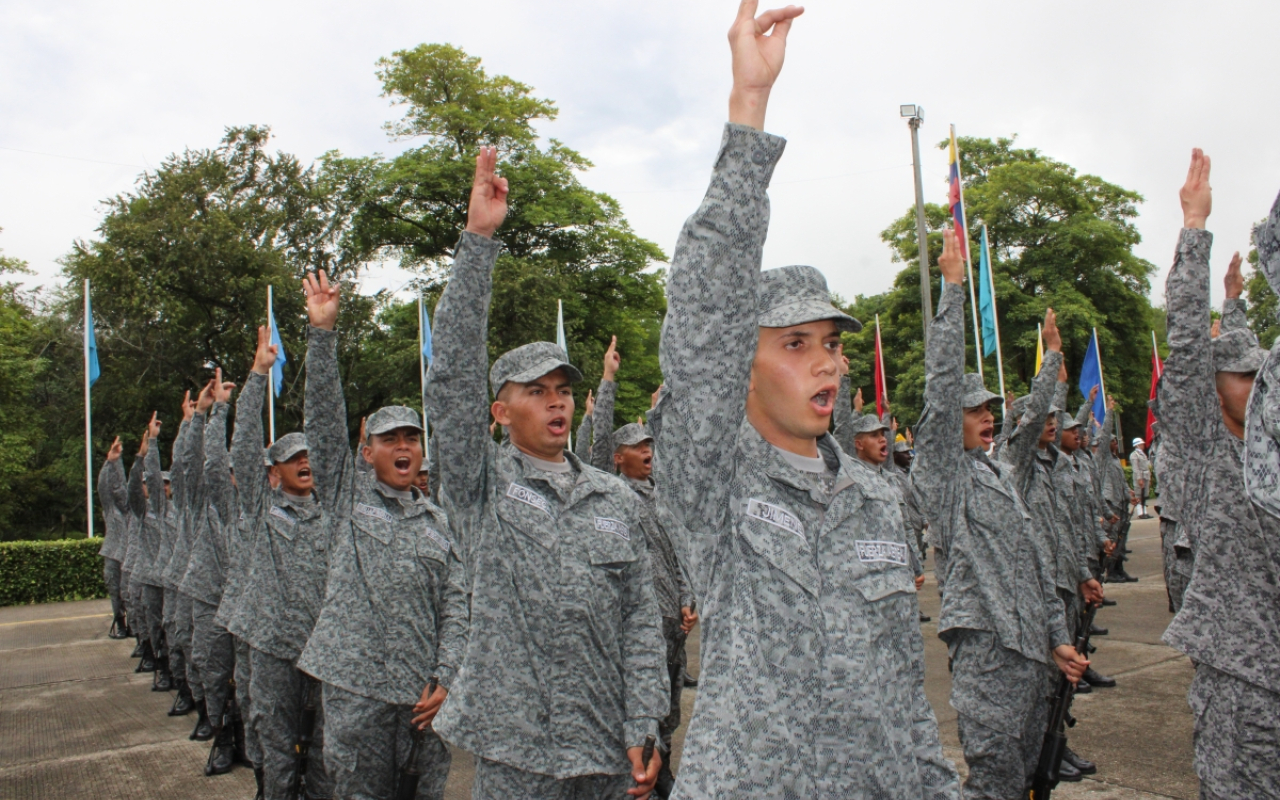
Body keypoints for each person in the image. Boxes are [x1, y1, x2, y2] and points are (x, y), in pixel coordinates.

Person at [649, 5, 958, 796]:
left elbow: (905, 700)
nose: (825, 362)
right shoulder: (716, 480)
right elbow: (706, 312)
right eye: (794, 344)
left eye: (831, 342)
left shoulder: (873, 497)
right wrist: (748, 113)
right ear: (740, 369)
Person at [425, 146, 667, 800]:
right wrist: (477, 242)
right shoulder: (481, 486)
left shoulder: (612, 498)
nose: (557, 399)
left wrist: (645, 720)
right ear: (501, 411)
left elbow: (641, 621)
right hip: (515, 751)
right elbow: (448, 378)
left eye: (563, 388)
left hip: (606, 746)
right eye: (537, 391)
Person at [913, 229, 1088, 799]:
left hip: (1030, 646)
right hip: (987, 645)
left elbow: (1033, 561)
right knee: (993, 778)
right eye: (974, 411)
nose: (986, 417)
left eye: (990, 408)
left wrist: (1057, 636)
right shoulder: (945, 476)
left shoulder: (999, 472)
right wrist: (953, 289)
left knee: (1029, 772)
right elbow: (940, 391)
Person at [295, 273, 466, 800]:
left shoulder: (438, 522)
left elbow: (457, 605)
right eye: (389, 438)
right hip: (357, 687)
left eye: (412, 438)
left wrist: (446, 678)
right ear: (367, 452)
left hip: (421, 698)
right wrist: (322, 338)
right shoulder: (348, 497)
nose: (404, 446)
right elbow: (324, 427)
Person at [1161, 150, 1280, 797]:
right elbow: (1188, 345)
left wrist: (1237, 307)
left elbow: (1241, 358)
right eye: (1239, 375)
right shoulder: (1208, 443)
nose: (1255, 384)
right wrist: (1194, 228)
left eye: (1261, 373)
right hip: (1242, 677)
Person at [224, 326, 334, 800]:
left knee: (328, 753)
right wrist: (256, 376)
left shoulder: (335, 510)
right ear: (275, 471)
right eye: (294, 459)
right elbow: (244, 445)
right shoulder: (261, 507)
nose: (305, 463)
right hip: (272, 648)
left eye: (309, 456)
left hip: (324, 647)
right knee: (275, 743)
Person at [585, 338, 697, 799]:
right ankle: (639, 770)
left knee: (668, 705)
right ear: (617, 458)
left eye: (649, 443)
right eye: (637, 445)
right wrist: (608, 381)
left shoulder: (663, 496)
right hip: (636, 625)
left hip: (673, 622)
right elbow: (593, 445)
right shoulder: (609, 493)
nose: (647, 450)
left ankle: (663, 763)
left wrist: (691, 598)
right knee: (638, 703)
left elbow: (681, 552)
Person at [98, 437, 131, 639]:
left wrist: (117, 464)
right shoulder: (111, 510)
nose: (118, 493)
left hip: (129, 555)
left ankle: (136, 625)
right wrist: (110, 462)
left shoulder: (133, 511)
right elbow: (104, 488)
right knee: (114, 589)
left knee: (130, 592)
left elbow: (122, 484)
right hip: (113, 552)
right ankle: (120, 623)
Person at [1130, 438, 1152, 518]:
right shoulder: (1134, 455)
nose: (1143, 445)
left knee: (1145, 495)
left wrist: (1149, 478)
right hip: (1139, 476)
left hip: (1145, 476)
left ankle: (1145, 512)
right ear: (1137, 445)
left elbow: (1147, 467)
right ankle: (1140, 513)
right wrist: (1139, 479)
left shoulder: (1143, 454)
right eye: (1141, 444)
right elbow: (1135, 468)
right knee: (1139, 495)